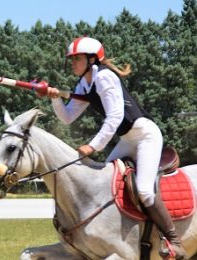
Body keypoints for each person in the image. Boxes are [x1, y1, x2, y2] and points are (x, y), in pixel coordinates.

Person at [44, 36, 187, 259]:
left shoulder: (104, 77)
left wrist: (92, 146)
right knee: (106, 183)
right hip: (128, 140)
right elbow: (68, 117)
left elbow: (115, 116)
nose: (72, 63)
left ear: (92, 59)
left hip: (146, 136)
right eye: (71, 59)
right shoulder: (85, 82)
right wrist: (54, 98)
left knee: (144, 190)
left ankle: (174, 240)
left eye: (77, 58)